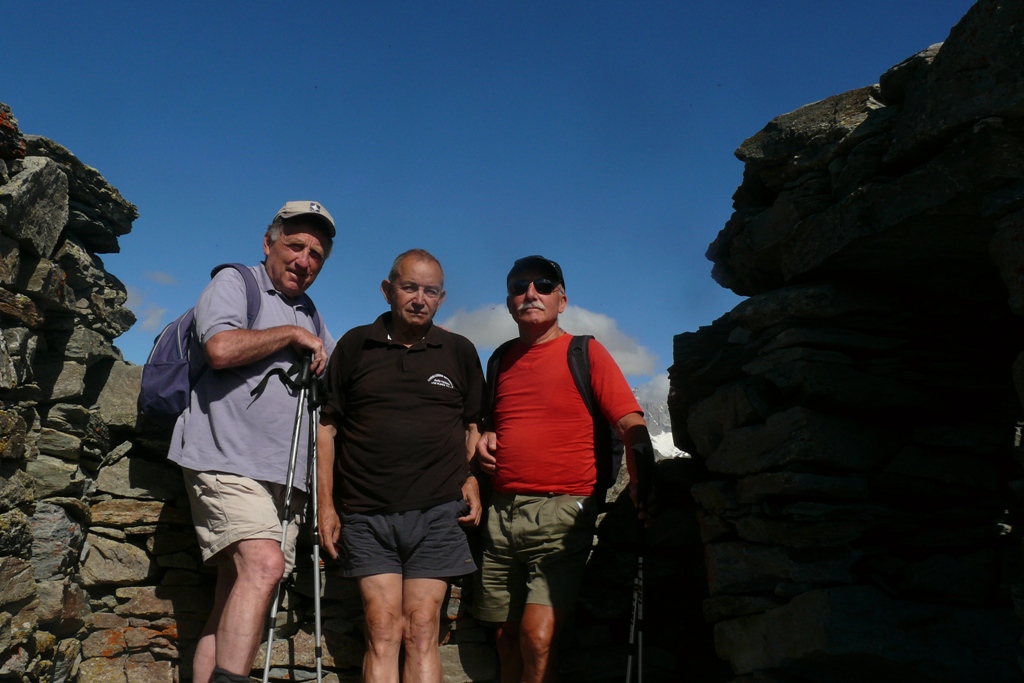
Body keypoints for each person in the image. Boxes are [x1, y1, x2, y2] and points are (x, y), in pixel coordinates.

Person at [167, 201, 337, 683]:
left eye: (316, 254)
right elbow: (219, 348)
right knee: (264, 566)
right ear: (268, 243)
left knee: (231, 595)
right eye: (295, 246)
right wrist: (290, 334)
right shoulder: (236, 282)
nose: (304, 260)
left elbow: (331, 390)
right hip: (225, 460)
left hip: (282, 480)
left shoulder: (311, 312)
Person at [473, 255, 656, 683]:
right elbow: (490, 424)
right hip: (500, 513)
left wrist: (644, 482)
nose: (530, 293)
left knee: (537, 638)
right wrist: (484, 437)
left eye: (542, 285)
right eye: (519, 287)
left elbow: (629, 422)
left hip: (562, 513)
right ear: (509, 302)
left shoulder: (585, 352)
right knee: (504, 636)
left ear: (562, 300)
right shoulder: (500, 359)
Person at [317, 248, 485, 683]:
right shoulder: (355, 345)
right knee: (381, 627)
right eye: (409, 287)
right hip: (366, 511)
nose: (419, 299)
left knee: (423, 628)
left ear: (441, 298)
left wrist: (470, 477)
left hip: (438, 512)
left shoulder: (459, 351)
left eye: (430, 291)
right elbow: (327, 429)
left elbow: (473, 426)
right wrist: (326, 506)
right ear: (387, 290)